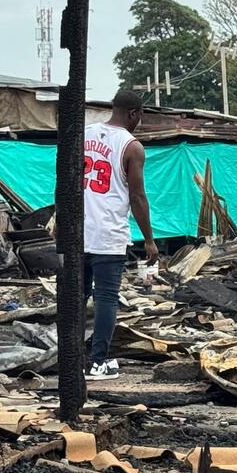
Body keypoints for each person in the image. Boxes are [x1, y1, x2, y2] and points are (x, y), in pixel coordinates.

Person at [83, 91, 157, 381]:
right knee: (105, 298)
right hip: (109, 234)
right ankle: (98, 362)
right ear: (134, 113)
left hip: (79, 231)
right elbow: (137, 197)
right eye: (140, 116)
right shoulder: (132, 146)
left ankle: (74, 359)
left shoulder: (84, 134)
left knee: (77, 296)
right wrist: (149, 240)